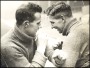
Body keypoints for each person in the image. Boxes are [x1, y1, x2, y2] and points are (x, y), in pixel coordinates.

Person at [1, 2, 47, 67]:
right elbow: (41, 45)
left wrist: (55, 56)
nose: (40, 26)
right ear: (26, 24)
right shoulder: (9, 47)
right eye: (38, 23)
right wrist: (41, 48)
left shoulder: (28, 32)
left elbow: (42, 41)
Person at [45, 1, 89, 67]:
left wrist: (48, 51)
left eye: (52, 22)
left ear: (63, 19)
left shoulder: (73, 36)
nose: (51, 27)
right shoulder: (84, 26)